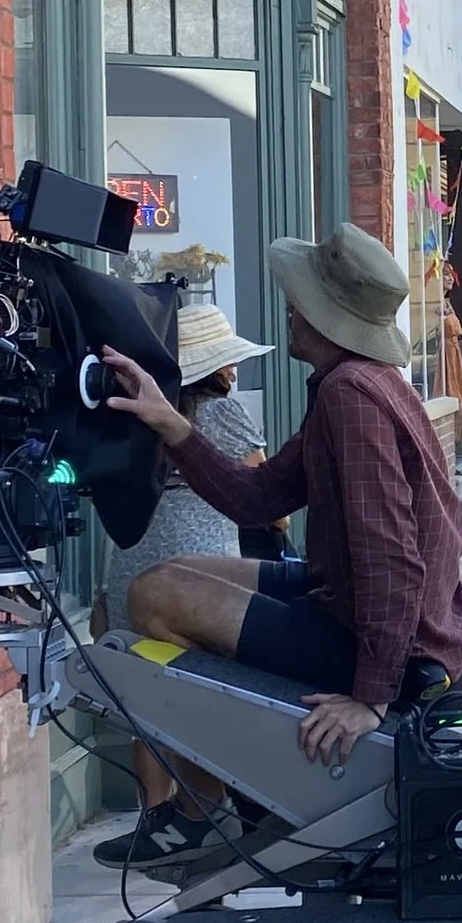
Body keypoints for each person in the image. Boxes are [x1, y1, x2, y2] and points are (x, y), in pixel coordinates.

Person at [97, 219, 462, 802]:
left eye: (298, 303)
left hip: (387, 640)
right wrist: (169, 421)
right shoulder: (356, 383)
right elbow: (259, 497)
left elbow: (391, 557)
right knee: (165, 579)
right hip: (359, 604)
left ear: (322, 316)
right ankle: (210, 805)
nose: (290, 313)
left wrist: (370, 698)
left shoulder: (352, 396)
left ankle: (208, 812)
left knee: (153, 599)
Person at [113, 277, 278, 833]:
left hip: (131, 559)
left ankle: (153, 822)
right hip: (197, 571)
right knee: (202, 698)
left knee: (147, 702)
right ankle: (204, 818)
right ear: (217, 367)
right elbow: (267, 507)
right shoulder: (224, 413)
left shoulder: (133, 414)